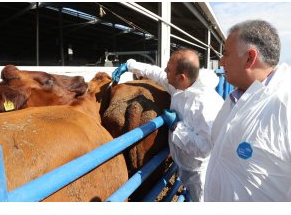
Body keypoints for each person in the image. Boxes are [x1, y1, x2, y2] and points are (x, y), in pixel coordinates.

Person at [112, 49, 224, 201]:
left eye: (169, 69)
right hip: (184, 165)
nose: (165, 70)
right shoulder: (181, 86)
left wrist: (176, 126)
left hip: (199, 173)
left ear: (181, 77)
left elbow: (204, 148)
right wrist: (130, 65)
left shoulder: (208, 105)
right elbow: (156, 73)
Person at [204, 19, 291, 201]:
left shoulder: (285, 104)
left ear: (250, 58)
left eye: (226, 54)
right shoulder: (234, 97)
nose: (220, 62)